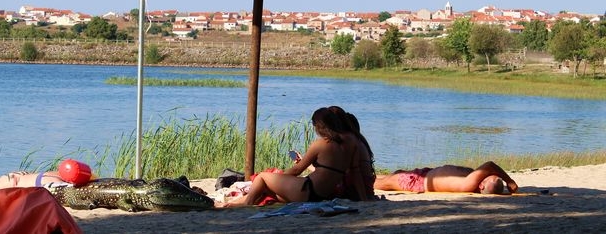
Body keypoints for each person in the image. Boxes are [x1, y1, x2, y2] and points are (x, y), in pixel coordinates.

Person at [218, 107, 371, 207]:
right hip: (322, 195)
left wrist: (280, 176)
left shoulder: (320, 144)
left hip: (308, 189)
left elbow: (297, 169)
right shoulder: (352, 142)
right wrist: (364, 199)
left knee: (263, 177)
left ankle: (246, 205)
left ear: (318, 126)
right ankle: (235, 204)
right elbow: (356, 172)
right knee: (268, 191)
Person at [374, 161, 519, 194]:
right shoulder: (473, 181)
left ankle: (352, 180)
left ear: (481, 186)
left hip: (417, 182)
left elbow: (489, 166)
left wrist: (509, 181)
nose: (487, 174)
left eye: (488, 177)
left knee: (376, 183)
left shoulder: (469, 184)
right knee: (389, 176)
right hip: (424, 175)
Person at [328, 106, 377, 201]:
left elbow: (354, 171)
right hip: (365, 189)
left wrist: (363, 198)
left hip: (355, 191)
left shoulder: (348, 141)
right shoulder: (359, 139)